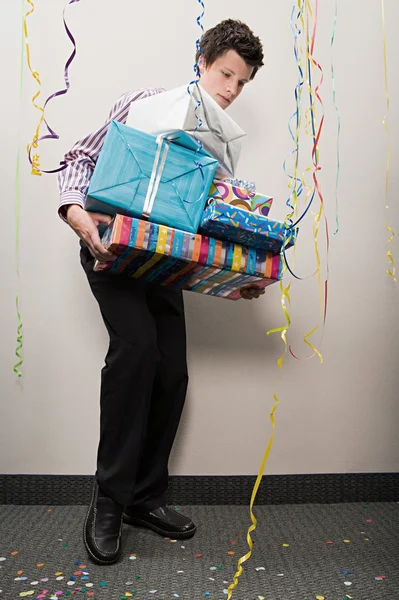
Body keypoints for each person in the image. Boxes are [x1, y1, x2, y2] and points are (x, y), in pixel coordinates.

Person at [57, 19, 265, 565]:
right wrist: (80, 219)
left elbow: (204, 227)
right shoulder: (144, 103)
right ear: (202, 60)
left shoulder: (219, 146)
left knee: (172, 372)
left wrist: (238, 279)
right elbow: (79, 158)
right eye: (225, 74)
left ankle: (144, 499)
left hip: (162, 265)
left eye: (241, 83)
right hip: (111, 249)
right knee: (137, 351)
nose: (230, 89)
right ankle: (108, 501)